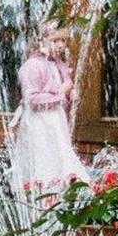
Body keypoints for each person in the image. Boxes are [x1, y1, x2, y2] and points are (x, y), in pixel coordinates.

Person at [8, 24, 88, 196]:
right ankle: (42, 197)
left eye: (63, 40)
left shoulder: (58, 63)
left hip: (55, 121)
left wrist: (70, 94)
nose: (61, 45)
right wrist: (61, 92)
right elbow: (33, 99)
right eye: (55, 40)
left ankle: (63, 196)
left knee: (59, 157)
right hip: (39, 122)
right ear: (41, 41)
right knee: (43, 160)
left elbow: (61, 87)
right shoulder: (32, 65)